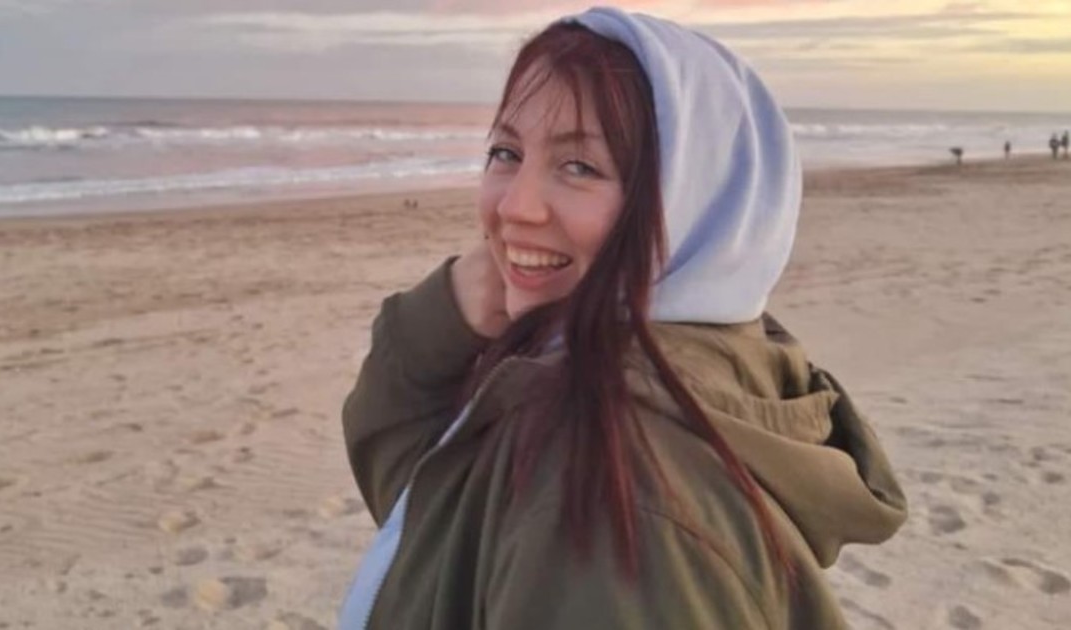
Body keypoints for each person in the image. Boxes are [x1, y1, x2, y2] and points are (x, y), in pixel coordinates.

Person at [339, 7, 907, 629]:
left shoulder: (605, 489)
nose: (516, 207)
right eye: (506, 152)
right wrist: (442, 314)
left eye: (580, 166)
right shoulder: (722, 360)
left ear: (692, 200)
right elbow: (434, 515)